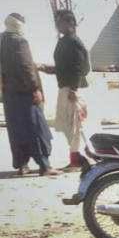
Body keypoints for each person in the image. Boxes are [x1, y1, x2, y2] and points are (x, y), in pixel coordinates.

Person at [0, 13, 59, 176]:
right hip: (25, 94)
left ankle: (22, 165)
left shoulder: (1, 40)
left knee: (17, 130)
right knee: (36, 129)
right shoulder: (20, 41)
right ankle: (45, 166)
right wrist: (35, 89)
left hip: (9, 94)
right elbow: (25, 67)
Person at [46, 10, 89, 171]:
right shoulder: (64, 41)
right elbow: (64, 66)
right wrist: (49, 69)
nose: (57, 26)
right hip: (65, 87)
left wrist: (73, 89)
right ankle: (76, 157)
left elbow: (78, 67)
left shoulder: (74, 42)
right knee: (67, 125)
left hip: (73, 89)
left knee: (75, 125)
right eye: (56, 23)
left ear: (71, 24)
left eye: (60, 22)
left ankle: (78, 159)